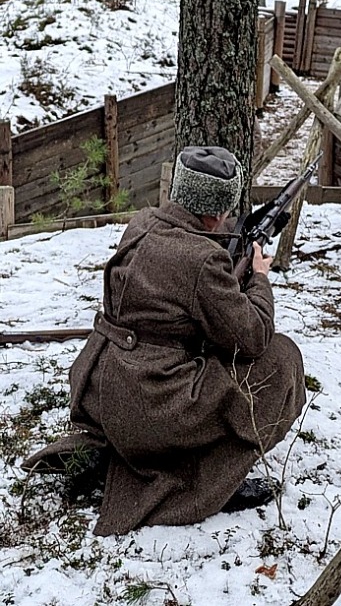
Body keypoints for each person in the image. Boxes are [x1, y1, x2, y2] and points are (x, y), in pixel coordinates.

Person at [22, 146, 306, 536]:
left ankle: (110, 450)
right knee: (282, 358)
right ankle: (216, 482)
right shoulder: (204, 260)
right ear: (216, 209)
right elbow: (252, 338)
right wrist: (258, 277)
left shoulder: (142, 223)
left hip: (98, 388)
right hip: (147, 400)